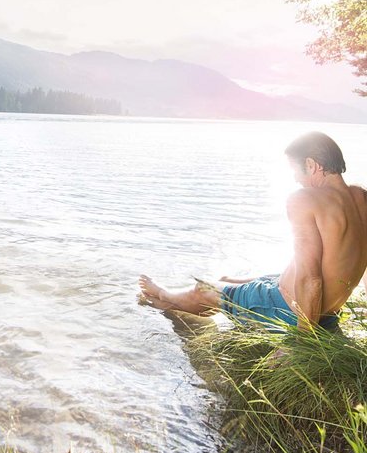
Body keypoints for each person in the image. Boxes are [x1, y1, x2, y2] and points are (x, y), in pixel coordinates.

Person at [138, 132, 367, 332]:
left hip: (289, 309)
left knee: (204, 290)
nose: (295, 178)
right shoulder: (360, 197)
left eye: (294, 170)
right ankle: (161, 308)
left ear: (311, 164)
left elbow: (311, 278)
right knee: (226, 281)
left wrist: (302, 339)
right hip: (324, 313)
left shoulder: (305, 199)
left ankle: (164, 296)